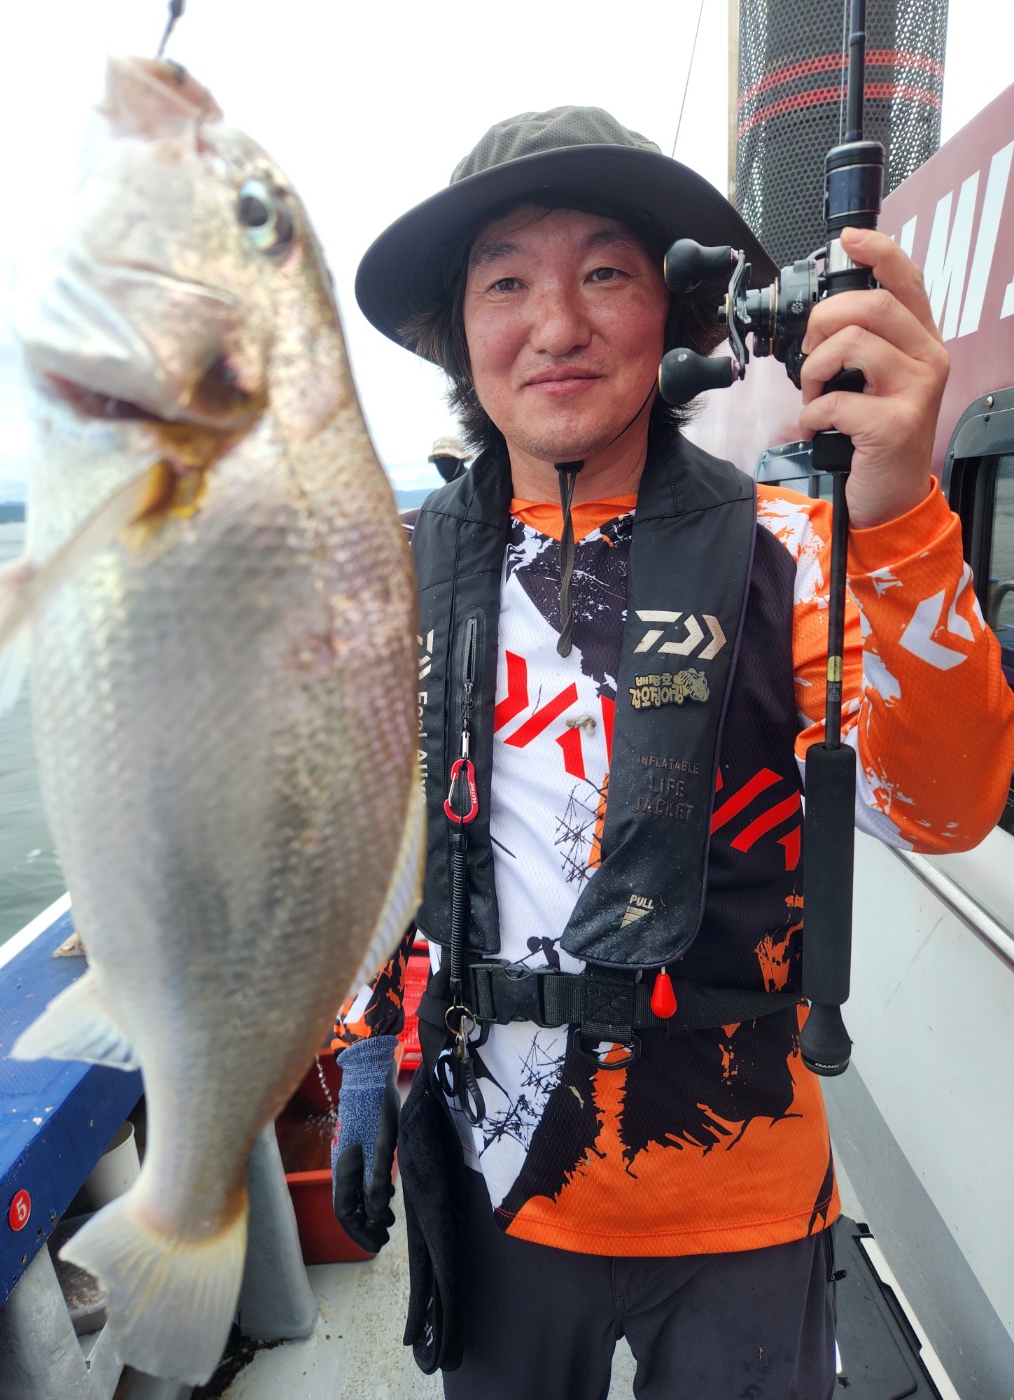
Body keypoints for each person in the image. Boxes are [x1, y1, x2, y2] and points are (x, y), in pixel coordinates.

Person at [329, 107, 1014, 1400]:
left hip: (745, 1198)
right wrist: (367, 1045)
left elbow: (946, 807)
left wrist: (904, 510)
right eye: (504, 282)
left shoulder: (794, 553)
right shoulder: (390, 583)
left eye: (605, 272)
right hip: (496, 1182)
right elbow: (372, 855)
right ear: (457, 331)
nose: (556, 324)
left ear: (676, 314)